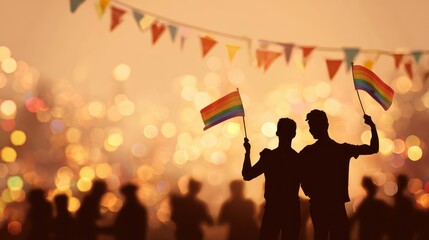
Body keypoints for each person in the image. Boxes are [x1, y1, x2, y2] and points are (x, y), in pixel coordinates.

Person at [299, 109, 379, 240]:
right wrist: (372, 127)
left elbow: (298, 173)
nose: (310, 130)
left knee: (320, 235)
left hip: (318, 205)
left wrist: (308, 190)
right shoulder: (342, 150)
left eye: (312, 126)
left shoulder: (308, 152)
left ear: (324, 126)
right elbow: (373, 148)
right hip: (336, 205)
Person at [242, 118, 301, 240]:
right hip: (291, 210)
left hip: (272, 209)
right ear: (294, 134)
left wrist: (247, 152)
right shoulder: (298, 159)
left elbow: (247, 175)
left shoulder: (269, 157)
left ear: (277, 133)